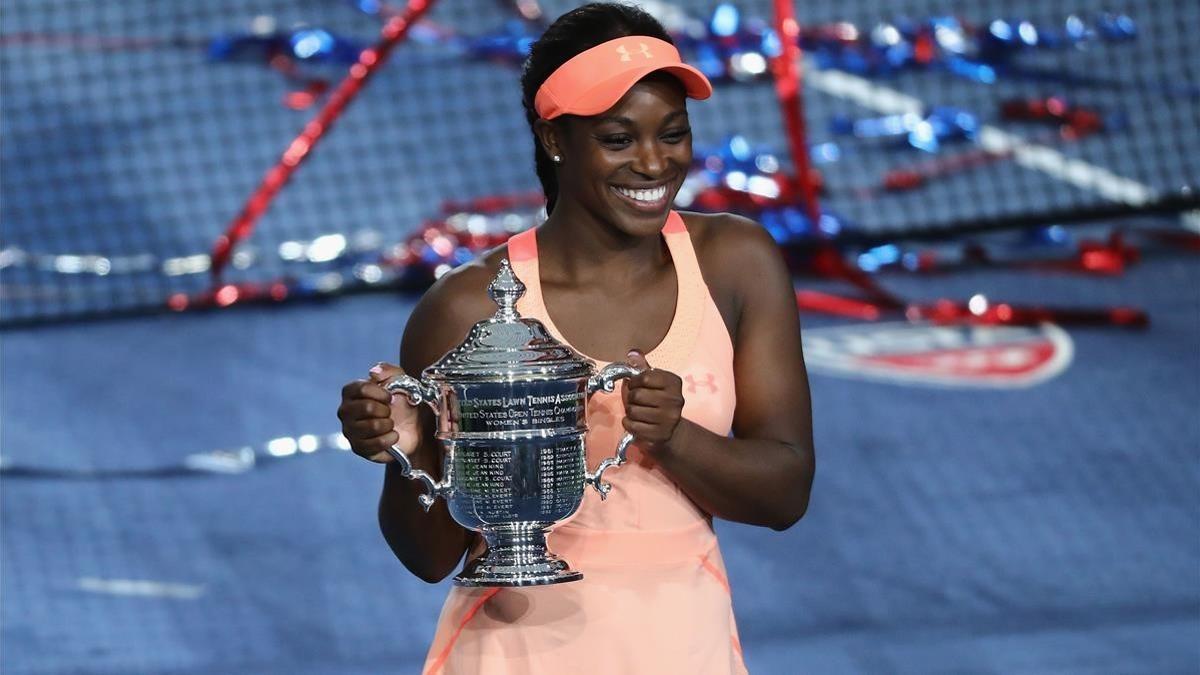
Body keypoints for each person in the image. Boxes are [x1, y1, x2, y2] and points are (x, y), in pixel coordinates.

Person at [337, 4, 815, 673]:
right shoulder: (466, 307)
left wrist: (674, 437)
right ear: (555, 139)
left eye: (673, 134)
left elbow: (786, 492)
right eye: (619, 140)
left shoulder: (738, 262)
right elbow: (429, 555)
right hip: (514, 655)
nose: (654, 164)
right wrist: (404, 449)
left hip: (688, 649)